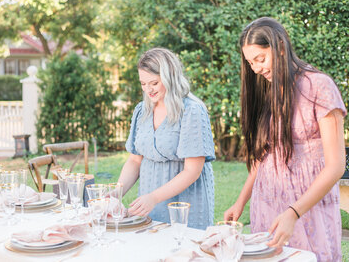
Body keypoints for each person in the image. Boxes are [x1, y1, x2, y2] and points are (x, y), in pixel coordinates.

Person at [224, 17, 347, 261]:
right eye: (250, 63)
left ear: (280, 47)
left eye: (260, 59)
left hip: (306, 207)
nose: (256, 69)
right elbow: (264, 155)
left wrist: (293, 212)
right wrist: (240, 202)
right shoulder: (269, 89)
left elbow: (336, 166)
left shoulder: (319, 86)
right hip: (268, 202)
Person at [118, 47, 215, 230]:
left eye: (154, 83)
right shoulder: (142, 111)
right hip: (149, 203)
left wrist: (154, 197)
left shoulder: (192, 111)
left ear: (169, 77)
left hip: (185, 204)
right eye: (143, 84)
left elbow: (192, 171)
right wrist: (116, 193)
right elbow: (135, 161)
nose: (148, 90)